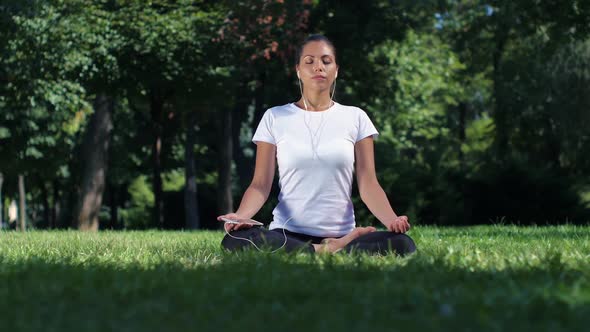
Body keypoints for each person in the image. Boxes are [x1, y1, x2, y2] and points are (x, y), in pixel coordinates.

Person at [218, 34, 416, 256]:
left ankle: (330, 246)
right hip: (286, 233)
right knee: (234, 241)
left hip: (342, 233)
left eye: (326, 61)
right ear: (298, 71)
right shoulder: (275, 117)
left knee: (403, 244)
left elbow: (368, 182)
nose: (318, 67)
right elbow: (260, 184)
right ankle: (327, 250)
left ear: (336, 70)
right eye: (309, 61)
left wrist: (392, 220)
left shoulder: (356, 117)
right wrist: (241, 216)